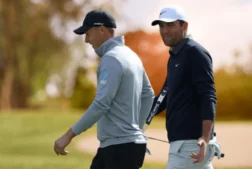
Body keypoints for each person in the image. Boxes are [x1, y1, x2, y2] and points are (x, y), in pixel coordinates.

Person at [53, 9, 155, 169]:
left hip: (117, 151)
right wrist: (137, 129)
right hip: (128, 147)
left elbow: (101, 104)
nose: (86, 40)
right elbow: (148, 95)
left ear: (101, 30)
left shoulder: (111, 59)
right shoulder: (132, 56)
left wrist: (68, 136)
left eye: (88, 33)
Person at [150, 6, 222, 169]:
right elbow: (164, 97)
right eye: (161, 26)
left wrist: (205, 137)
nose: (164, 31)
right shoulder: (175, 56)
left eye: (170, 25)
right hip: (185, 145)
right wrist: (135, 116)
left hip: (190, 145)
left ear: (184, 26)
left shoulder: (195, 52)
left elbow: (208, 95)